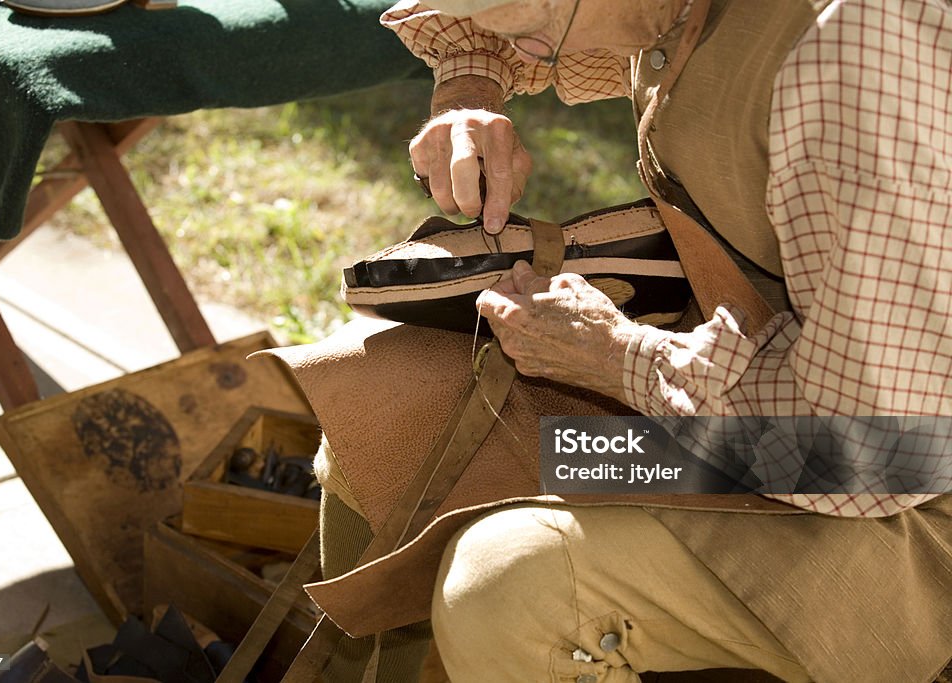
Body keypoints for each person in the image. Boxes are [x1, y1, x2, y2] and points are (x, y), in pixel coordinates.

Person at [269, 0, 952, 681]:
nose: (532, 54)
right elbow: (485, 24)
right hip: (761, 410)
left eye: (524, 19)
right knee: (386, 413)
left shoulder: (855, 45)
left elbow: (875, 446)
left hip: (892, 486)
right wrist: (467, 92)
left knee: (515, 586)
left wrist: (620, 359)